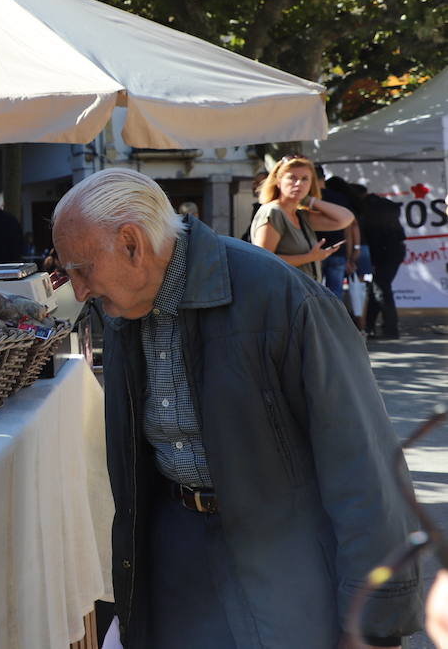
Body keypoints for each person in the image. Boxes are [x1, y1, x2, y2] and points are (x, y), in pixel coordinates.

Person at [53, 169, 420, 648]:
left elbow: (364, 465)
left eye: (81, 270)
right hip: (178, 548)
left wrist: (374, 622)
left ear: (131, 244)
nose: (79, 292)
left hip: (284, 562)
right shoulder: (124, 307)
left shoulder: (283, 298)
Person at [249, 155, 354, 282]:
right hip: (282, 295)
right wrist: (309, 257)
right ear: (278, 181)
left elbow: (346, 218)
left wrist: (309, 200)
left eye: (305, 179)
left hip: (304, 294)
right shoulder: (273, 211)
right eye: (292, 178)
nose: (298, 183)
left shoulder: (301, 215)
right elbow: (263, 260)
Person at [354, 183, 408, 340]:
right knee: (377, 288)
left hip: (383, 252)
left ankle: (389, 328)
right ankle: (373, 325)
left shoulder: (367, 209)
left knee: (380, 288)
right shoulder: (384, 204)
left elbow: (375, 236)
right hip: (393, 250)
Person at [318, 173, 362, 307]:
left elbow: (350, 226)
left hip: (314, 253)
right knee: (335, 294)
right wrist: (351, 254)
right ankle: (335, 325)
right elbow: (350, 228)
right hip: (337, 251)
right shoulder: (340, 198)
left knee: (312, 293)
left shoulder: (307, 199)